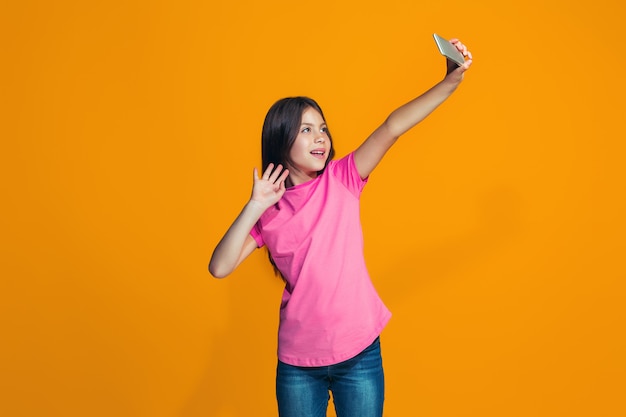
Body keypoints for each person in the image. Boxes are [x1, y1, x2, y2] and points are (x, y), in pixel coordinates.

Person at [209, 38, 473, 417]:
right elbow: (219, 267)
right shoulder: (268, 212)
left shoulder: (343, 178)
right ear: (280, 141)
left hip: (359, 353)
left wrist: (449, 83)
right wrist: (254, 206)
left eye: (322, 128)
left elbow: (392, 127)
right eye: (305, 130)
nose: (320, 136)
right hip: (299, 365)